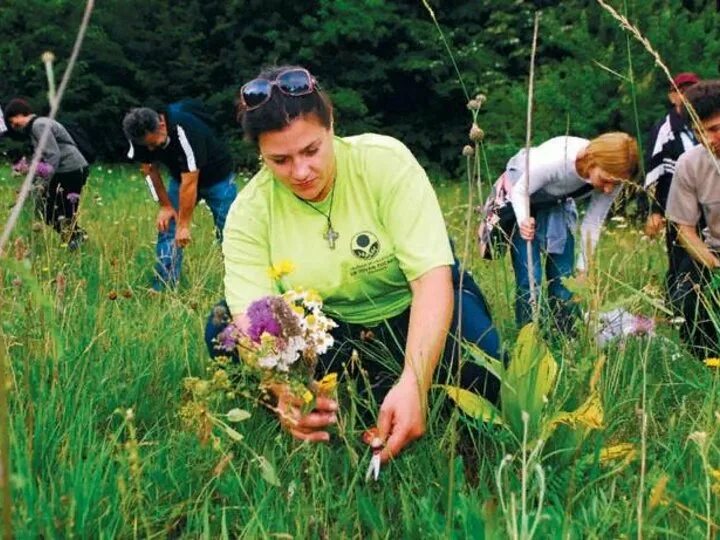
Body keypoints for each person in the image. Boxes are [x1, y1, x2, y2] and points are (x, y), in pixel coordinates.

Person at [205, 65, 504, 463]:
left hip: (411, 304)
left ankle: (430, 406)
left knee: (485, 371)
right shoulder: (250, 211)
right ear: (260, 153)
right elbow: (251, 316)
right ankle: (324, 409)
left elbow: (431, 280)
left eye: (311, 150)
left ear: (332, 126)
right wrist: (282, 386)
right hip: (334, 328)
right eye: (280, 160)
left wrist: (415, 383)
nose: (301, 171)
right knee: (221, 330)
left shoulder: (384, 162)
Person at [508, 133, 639, 330]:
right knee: (530, 281)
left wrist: (583, 268)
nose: (608, 189)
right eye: (606, 180)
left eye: (616, 184)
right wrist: (524, 221)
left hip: (557, 204)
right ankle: (527, 338)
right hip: (522, 198)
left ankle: (564, 337)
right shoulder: (557, 160)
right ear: (593, 160)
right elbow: (520, 191)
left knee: (565, 281)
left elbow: (593, 222)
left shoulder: (614, 178)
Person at [122, 102, 237, 289]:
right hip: (180, 176)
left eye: (154, 143)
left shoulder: (183, 129)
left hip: (217, 177)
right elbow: (149, 170)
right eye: (147, 145)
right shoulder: (137, 135)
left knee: (231, 229)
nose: (151, 150)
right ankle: (164, 286)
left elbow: (190, 181)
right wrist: (165, 206)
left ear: (161, 125)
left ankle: (239, 281)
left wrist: (184, 225)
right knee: (167, 227)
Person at [665, 79, 720, 360]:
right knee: (688, 297)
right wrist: (714, 264)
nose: (708, 140)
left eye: (714, 130)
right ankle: (707, 364)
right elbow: (684, 229)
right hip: (714, 257)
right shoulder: (690, 164)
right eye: (699, 132)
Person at [4, 99, 90, 249]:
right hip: (66, 170)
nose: (13, 127)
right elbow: (43, 160)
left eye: (13, 122)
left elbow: (52, 156)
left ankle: (77, 240)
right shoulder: (36, 127)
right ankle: (76, 240)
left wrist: (42, 183)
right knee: (50, 209)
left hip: (70, 170)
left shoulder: (39, 125)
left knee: (56, 210)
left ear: (20, 114)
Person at [643, 72, 700, 298]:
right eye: (681, 91)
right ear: (672, 96)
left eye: (692, 91)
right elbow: (656, 171)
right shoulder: (664, 129)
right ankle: (677, 311)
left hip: (708, 203)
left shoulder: (705, 123)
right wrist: (655, 210)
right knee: (681, 260)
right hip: (676, 204)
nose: (686, 96)